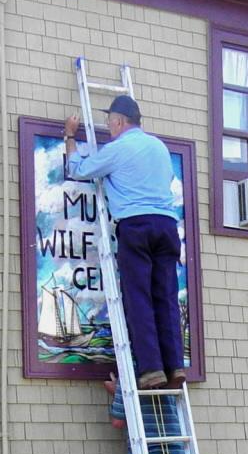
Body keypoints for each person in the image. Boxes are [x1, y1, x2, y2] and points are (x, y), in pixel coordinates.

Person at [64, 96, 185, 391]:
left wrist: (69, 136)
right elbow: (166, 178)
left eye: (109, 123)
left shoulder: (117, 149)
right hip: (167, 226)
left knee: (138, 296)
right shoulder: (159, 147)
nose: (108, 129)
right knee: (166, 297)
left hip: (136, 225)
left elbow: (79, 169)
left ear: (119, 121)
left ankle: (151, 369)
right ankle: (175, 365)